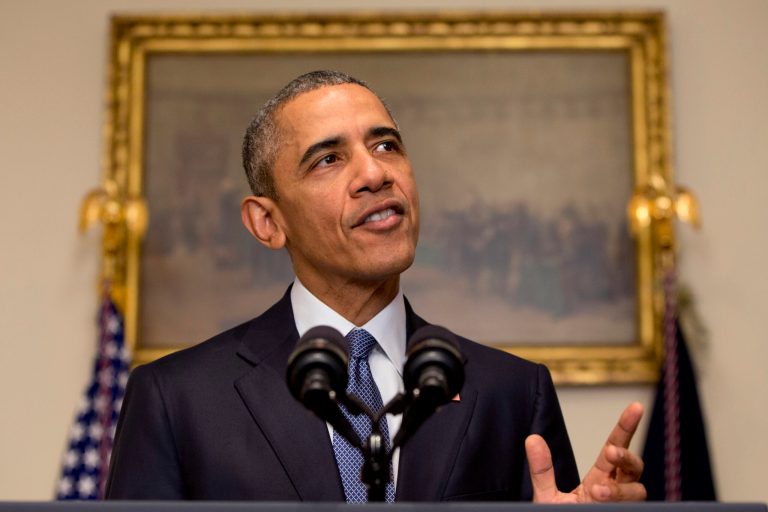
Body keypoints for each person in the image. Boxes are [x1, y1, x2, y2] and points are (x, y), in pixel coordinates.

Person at [105, 70, 646, 502]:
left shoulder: (511, 392)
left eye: (386, 146)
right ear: (267, 223)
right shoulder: (177, 399)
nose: (374, 174)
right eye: (329, 159)